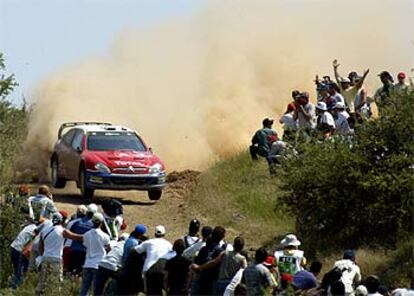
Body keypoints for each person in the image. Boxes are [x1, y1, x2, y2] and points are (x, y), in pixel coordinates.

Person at [35, 212, 82, 296]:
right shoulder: (62, 230)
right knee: (57, 282)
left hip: (45, 258)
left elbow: (40, 247)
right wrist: (88, 236)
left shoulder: (45, 230)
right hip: (56, 259)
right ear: (61, 221)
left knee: (42, 281)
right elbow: (75, 237)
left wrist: (43, 255)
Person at [135, 225, 173, 295]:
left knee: (149, 292)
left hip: (149, 270)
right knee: (159, 291)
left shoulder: (149, 242)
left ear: (155, 234)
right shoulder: (169, 245)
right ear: (164, 234)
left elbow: (137, 250)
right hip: (162, 270)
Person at [80, 212, 111, 296]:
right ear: (101, 223)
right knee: (96, 290)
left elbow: (85, 245)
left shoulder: (86, 235)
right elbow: (108, 249)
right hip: (98, 265)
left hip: (87, 264)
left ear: (92, 222)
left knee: (84, 289)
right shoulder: (105, 236)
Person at [194, 226, 228, 295]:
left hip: (202, 281)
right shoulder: (221, 252)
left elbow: (196, 263)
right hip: (213, 282)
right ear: (222, 237)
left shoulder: (204, 249)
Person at [67, 203, 96, 275]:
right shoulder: (93, 225)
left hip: (74, 249)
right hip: (85, 251)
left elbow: (69, 234)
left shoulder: (77, 222)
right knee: (80, 273)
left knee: (71, 271)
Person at [10, 218, 36, 289]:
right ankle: (14, 288)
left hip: (13, 247)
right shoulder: (35, 229)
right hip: (18, 249)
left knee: (16, 270)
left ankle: (14, 286)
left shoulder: (28, 227)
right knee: (19, 271)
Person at [63, 204, 88, 273]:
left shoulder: (71, 222)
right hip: (82, 249)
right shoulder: (88, 223)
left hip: (68, 247)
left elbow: (65, 234)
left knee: (67, 270)